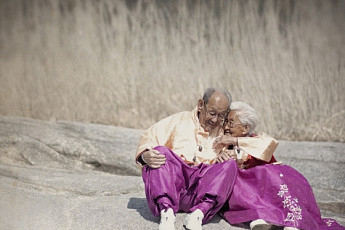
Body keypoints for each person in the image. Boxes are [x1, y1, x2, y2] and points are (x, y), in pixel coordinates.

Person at [214, 101, 345, 230]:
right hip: (245, 190)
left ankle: (293, 222)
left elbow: (269, 144)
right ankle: (260, 218)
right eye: (225, 122)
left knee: (269, 173)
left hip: (266, 186)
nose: (225, 127)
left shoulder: (258, 139)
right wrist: (219, 158)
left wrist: (236, 141)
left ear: (245, 128)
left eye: (230, 123)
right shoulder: (222, 143)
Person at [135, 88, 239, 230]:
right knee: (159, 152)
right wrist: (145, 155)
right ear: (201, 104)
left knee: (230, 164)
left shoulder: (224, 133)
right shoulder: (179, 120)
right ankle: (166, 212)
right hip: (172, 187)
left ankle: (198, 214)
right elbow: (149, 138)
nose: (215, 120)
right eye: (212, 113)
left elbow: (224, 171)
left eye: (221, 116)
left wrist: (224, 157)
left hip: (200, 194)